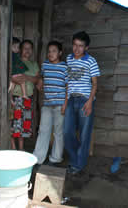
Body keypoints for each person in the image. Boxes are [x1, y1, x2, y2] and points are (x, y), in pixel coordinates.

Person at [64, 31, 100, 175]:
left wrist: (90, 102)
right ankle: (75, 159)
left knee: (85, 134)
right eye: (75, 45)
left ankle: (78, 165)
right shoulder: (68, 59)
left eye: (81, 46)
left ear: (86, 48)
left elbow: (95, 84)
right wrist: (65, 102)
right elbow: (67, 82)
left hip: (85, 100)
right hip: (71, 100)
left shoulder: (91, 61)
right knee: (67, 132)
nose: (77, 49)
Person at [33, 41, 68, 166]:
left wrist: (65, 104)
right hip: (47, 104)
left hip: (59, 104)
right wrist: (40, 82)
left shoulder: (64, 67)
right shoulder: (45, 65)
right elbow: (41, 77)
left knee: (58, 132)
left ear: (60, 53)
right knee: (43, 130)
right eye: (49, 51)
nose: (50, 53)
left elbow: (68, 86)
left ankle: (56, 158)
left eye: (54, 51)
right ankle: (38, 158)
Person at [10, 39, 40, 151]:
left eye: (30, 48)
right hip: (17, 97)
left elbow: (37, 79)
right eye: (25, 48)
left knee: (25, 125)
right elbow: (11, 77)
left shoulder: (33, 64)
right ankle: (13, 148)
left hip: (28, 98)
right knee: (15, 124)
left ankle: (21, 149)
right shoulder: (16, 61)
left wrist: (26, 77)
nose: (27, 50)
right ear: (20, 50)